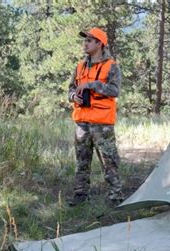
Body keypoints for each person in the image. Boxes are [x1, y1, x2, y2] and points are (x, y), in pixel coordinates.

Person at [67, 27, 123, 207]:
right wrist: (73, 96)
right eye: (85, 40)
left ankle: (115, 197)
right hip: (82, 123)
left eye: (89, 40)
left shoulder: (111, 66)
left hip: (102, 124)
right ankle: (80, 195)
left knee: (109, 162)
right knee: (82, 160)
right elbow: (70, 88)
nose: (85, 43)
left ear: (100, 44)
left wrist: (93, 85)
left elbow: (114, 90)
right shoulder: (79, 66)